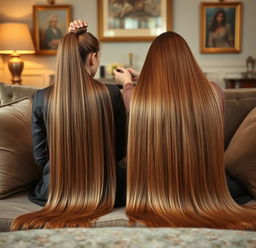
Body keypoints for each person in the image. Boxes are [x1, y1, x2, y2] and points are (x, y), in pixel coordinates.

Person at [114, 31, 256, 230]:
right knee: (235, 187)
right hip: (205, 190)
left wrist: (129, 81)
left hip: (157, 191)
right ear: (188, 61)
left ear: (152, 66)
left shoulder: (138, 99)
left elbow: (130, 94)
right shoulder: (214, 93)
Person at [10, 26, 127, 230]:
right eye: (98, 56)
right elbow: (118, 152)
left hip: (54, 191)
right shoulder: (112, 94)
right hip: (108, 191)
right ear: (92, 58)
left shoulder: (42, 97)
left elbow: (40, 157)